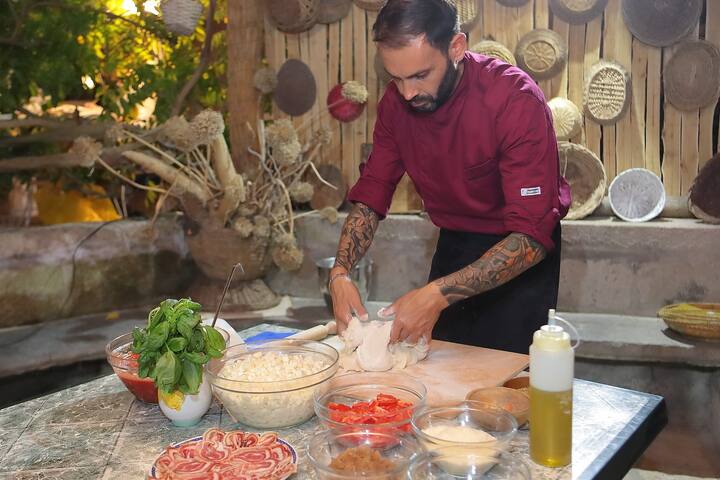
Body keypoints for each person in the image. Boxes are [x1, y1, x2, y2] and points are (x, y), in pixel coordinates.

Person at [327, 0, 571, 354]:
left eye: (420, 76)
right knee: (438, 366)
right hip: (454, 244)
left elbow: (531, 236)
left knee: (506, 377)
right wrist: (340, 272)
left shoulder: (514, 99)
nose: (407, 93)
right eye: (396, 78)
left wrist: (436, 294)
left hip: (519, 253)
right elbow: (372, 194)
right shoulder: (396, 105)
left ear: (456, 47)